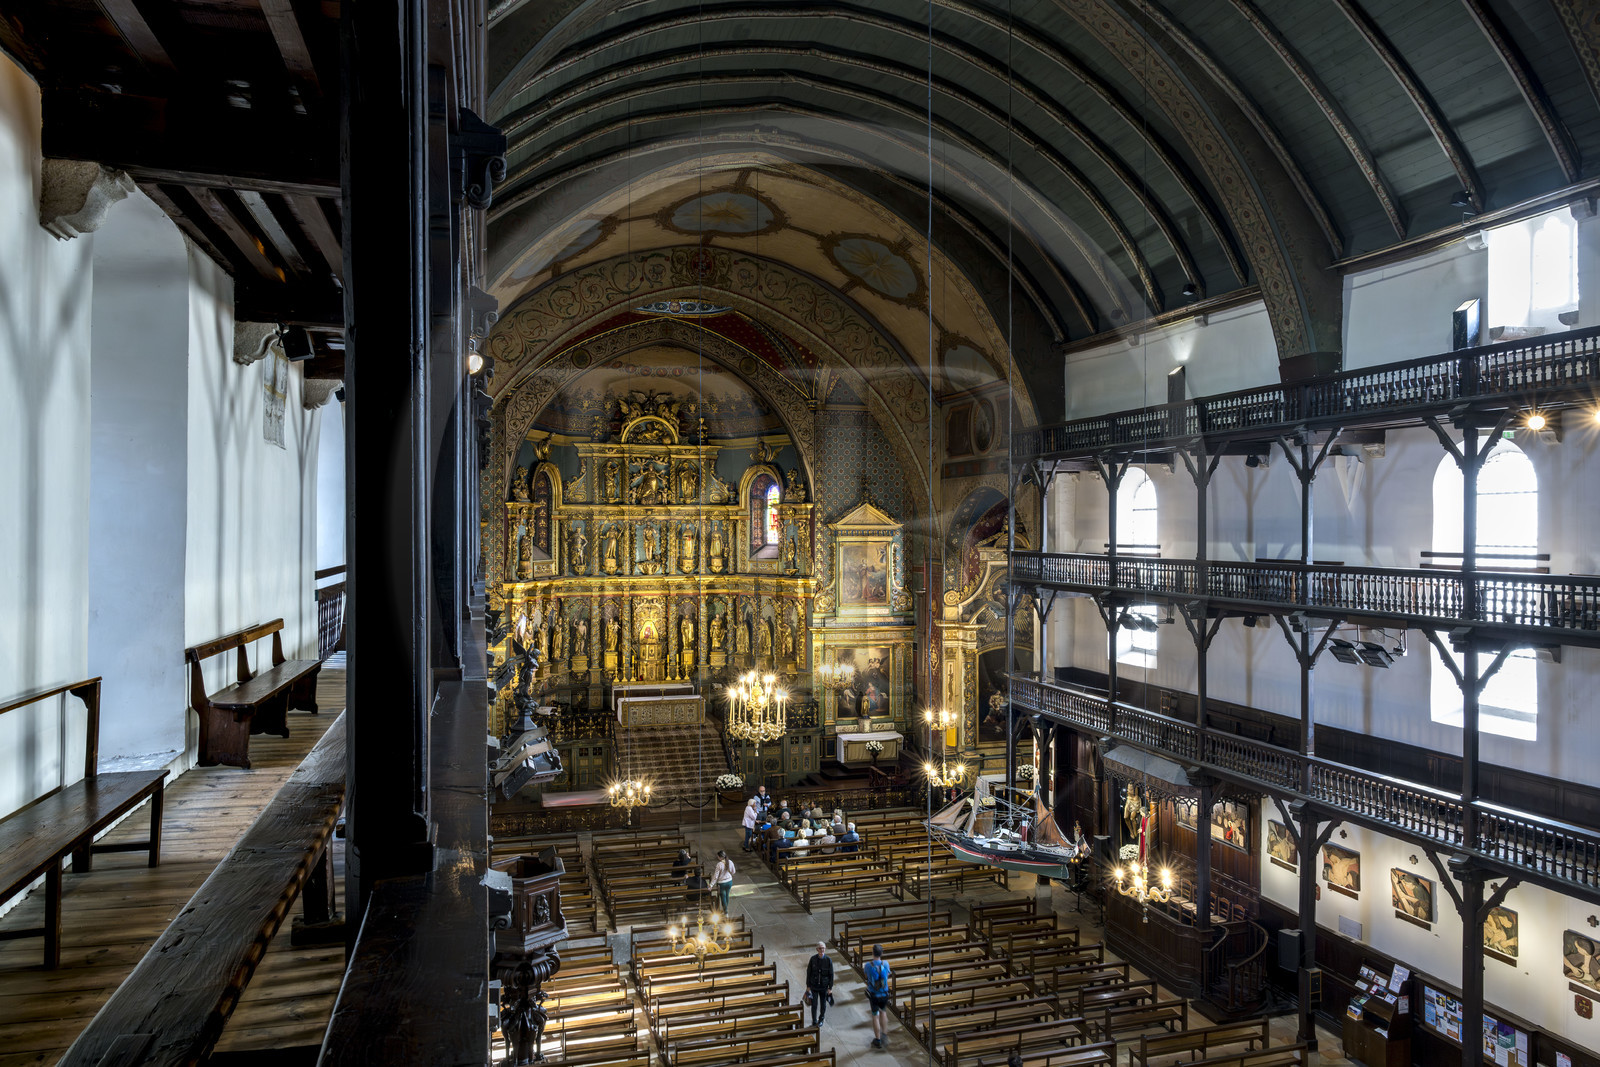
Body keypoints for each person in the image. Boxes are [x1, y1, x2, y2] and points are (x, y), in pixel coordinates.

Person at [863, 943, 894, 1049]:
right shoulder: (886, 964)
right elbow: (887, 975)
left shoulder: (868, 965)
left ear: (872, 953)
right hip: (884, 994)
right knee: (883, 1012)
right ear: (882, 953)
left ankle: (878, 1039)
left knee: (875, 1016)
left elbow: (866, 976)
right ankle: (884, 1034)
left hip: (874, 995)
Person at [805, 941, 834, 1027]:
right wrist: (808, 986)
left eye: (824, 948)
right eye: (820, 948)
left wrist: (830, 988)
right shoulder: (813, 959)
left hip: (824, 987)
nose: (822, 950)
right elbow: (808, 972)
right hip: (814, 986)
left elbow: (831, 974)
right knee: (814, 1004)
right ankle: (814, 1020)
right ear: (817, 949)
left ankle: (821, 1019)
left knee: (823, 1005)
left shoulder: (828, 960)